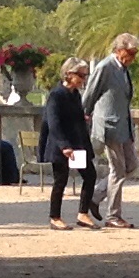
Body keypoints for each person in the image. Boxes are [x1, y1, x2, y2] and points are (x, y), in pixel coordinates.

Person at [82, 34, 139, 228]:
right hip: (109, 125)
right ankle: (113, 216)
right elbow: (90, 93)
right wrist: (85, 114)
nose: (133, 57)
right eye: (131, 53)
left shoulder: (124, 69)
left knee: (132, 164)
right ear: (119, 50)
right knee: (118, 169)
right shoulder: (104, 67)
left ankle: (96, 195)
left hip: (124, 125)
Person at [39, 58, 95, 229]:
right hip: (61, 145)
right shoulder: (57, 95)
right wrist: (64, 145)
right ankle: (54, 217)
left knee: (90, 175)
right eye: (81, 75)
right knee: (60, 180)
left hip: (77, 143)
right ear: (69, 74)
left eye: (85, 75)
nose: (83, 79)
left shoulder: (75, 95)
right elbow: (53, 123)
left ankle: (83, 213)